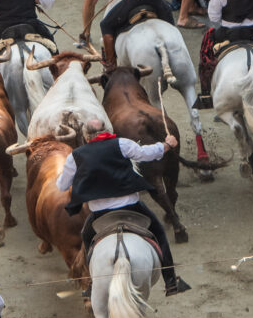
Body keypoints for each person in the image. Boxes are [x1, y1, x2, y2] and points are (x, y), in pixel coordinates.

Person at [57, 116, 190, 296]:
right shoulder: (122, 144)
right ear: (106, 131)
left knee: (87, 238)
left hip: (99, 214)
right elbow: (146, 153)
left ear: (86, 136)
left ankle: (91, 285)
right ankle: (171, 281)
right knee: (159, 232)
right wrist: (167, 145)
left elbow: (62, 186)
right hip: (131, 207)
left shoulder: (76, 156)